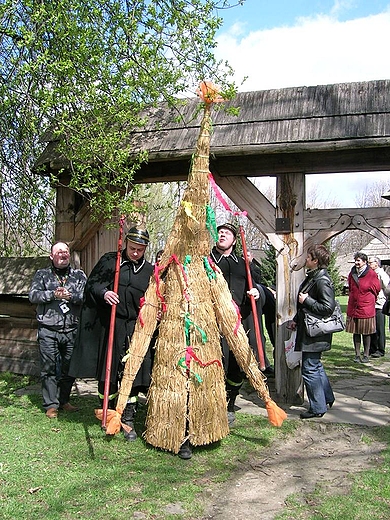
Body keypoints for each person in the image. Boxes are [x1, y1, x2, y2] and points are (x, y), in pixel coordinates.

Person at [69, 227, 153, 440]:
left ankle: (128, 417)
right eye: (133, 248)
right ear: (126, 243)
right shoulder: (111, 261)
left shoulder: (149, 271)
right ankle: (106, 412)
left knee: (131, 372)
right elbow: (93, 285)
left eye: (140, 250)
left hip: (135, 328)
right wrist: (104, 292)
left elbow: (154, 299)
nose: (135, 253)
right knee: (109, 371)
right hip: (111, 325)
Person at [210, 223, 262, 427]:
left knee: (235, 366)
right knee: (214, 363)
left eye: (227, 233)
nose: (222, 234)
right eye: (219, 232)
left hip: (236, 324)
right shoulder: (206, 261)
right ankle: (212, 403)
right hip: (211, 322)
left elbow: (255, 286)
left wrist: (255, 292)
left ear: (234, 239)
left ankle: (230, 403)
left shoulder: (243, 265)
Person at [29, 242, 87, 418]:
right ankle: (51, 405)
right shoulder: (43, 275)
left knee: (70, 367)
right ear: (51, 256)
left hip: (71, 329)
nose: (63, 255)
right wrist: (53, 294)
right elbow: (33, 295)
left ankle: (64, 400)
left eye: (66, 252)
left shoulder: (78, 275)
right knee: (49, 367)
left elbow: (87, 297)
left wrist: (71, 297)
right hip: (48, 329)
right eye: (59, 252)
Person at [288, 244, 336, 419]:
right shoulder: (313, 277)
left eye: (308, 257)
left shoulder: (322, 280)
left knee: (309, 369)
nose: (306, 259)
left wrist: (307, 300)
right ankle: (327, 398)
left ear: (315, 261)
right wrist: (295, 321)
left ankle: (317, 408)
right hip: (309, 331)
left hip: (315, 333)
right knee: (315, 366)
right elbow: (303, 307)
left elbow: (328, 308)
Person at [346, 252, 380, 363]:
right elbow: (351, 286)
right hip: (354, 306)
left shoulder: (371, 274)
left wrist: (367, 298)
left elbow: (377, 288)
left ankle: (366, 354)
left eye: (358, 260)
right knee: (356, 332)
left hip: (366, 307)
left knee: (366, 332)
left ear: (364, 262)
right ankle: (357, 354)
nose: (356, 262)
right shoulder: (352, 273)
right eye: (355, 260)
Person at [368, 257, 389, 358]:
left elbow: (387, 287)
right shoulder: (370, 273)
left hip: (380, 303)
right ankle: (372, 348)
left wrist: (382, 297)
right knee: (372, 327)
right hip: (371, 304)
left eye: (370, 262)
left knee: (380, 328)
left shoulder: (381, 273)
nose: (369, 264)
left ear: (376, 263)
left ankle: (381, 349)